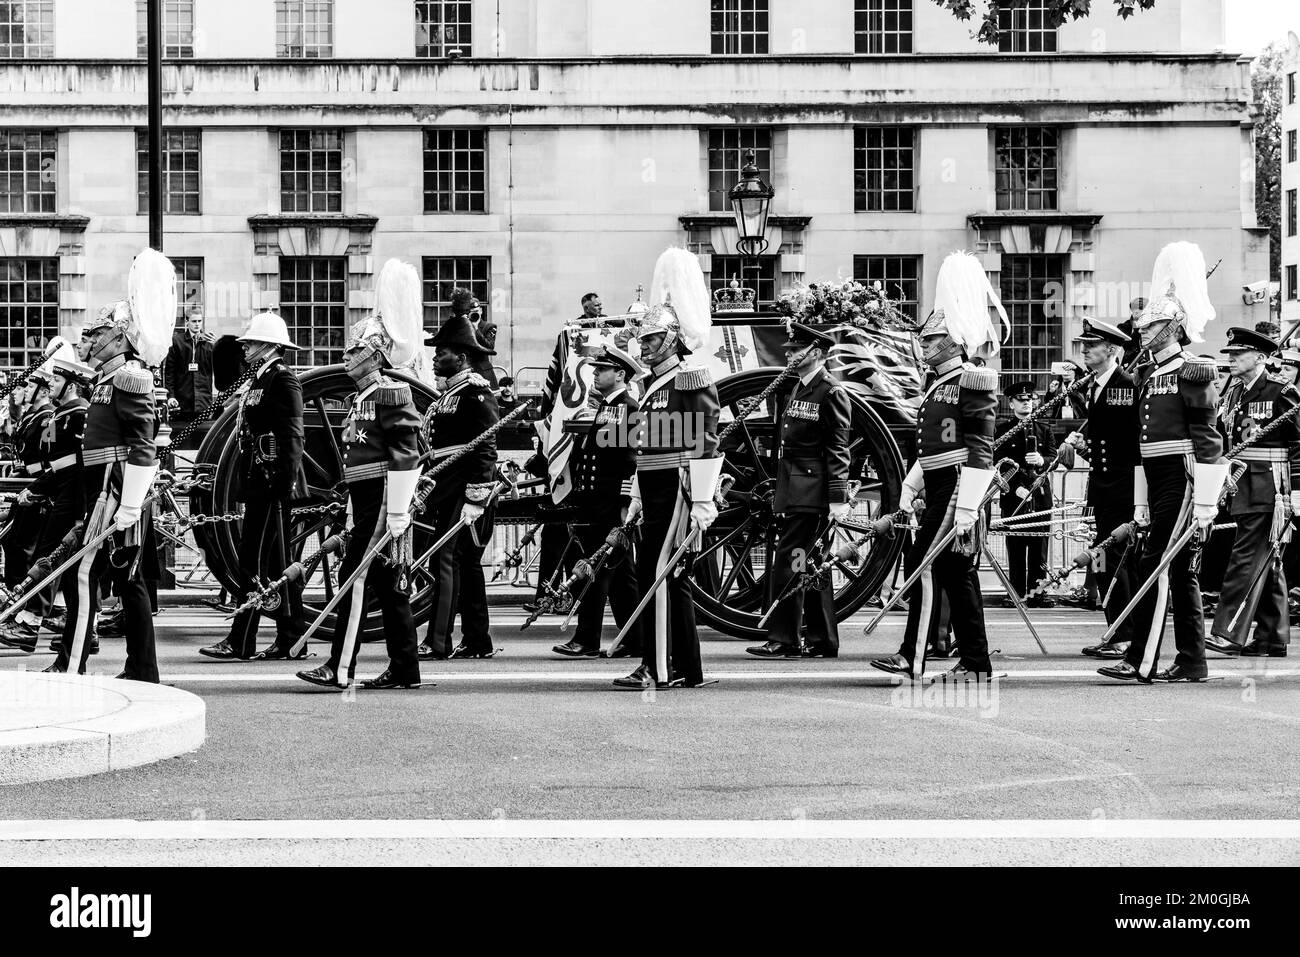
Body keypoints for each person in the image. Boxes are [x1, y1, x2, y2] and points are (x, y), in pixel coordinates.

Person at [870, 251, 1002, 682]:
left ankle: (915, 655)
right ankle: (975, 661)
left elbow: (980, 447)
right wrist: (911, 485)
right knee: (953, 572)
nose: (923, 347)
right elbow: (933, 447)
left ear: (950, 341)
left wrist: (967, 507)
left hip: (960, 484)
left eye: (929, 341)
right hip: (941, 480)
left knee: (924, 564)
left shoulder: (970, 379)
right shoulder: (939, 385)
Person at [1098, 242, 1225, 684]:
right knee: (1177, 570)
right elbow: (1141, 445)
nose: (1141, 330)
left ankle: (1142, 660)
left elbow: (1209, 441)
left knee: (1156, 564)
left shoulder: (1194, 370)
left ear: (1172, 326)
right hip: (1157, 477)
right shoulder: (1150, 374)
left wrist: (1207, 504)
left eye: (1149, 324)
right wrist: (1140, 504)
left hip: (1184, 478)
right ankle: (1192, 661)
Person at [47, 250, 174, 680]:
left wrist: (130, 504)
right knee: (127, 583)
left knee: (86, 575)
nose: (90, 340)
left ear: (119, 337)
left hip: (116, 490)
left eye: (98, 333)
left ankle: (73, 663)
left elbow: (143, 447)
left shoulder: (130, 376)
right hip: (104, 488)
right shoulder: (106, 378)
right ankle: (142, 667)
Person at [298, 260, 424, 690]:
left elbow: (406, 455)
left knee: (355, 580)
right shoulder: (364, 396)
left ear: (374, 354)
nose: (347, 356)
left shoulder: (391, 391)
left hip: (385, 499)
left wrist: (398, 512)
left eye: (355, 350)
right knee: (389, 588)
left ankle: (341, 667)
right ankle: (406, 667)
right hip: (367, 499)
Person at [613, 249, 721, 690]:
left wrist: (701, 501)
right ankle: (679, 665)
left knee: (664, 575)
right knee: (662, 576)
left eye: (653, 340)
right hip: (654, 487)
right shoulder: (649, 385)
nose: (645, 346)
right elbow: (641, 448)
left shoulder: (689, 378)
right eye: (644, 340)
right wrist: (637, 496)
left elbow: (706, 442)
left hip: (678, 488)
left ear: (673, 340)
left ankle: (664, 666)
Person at [198, 312, 307, 661]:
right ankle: (292, 639)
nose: (245, 347)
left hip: (273, 484)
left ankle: (241, 640)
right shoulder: (260, 379)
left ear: (269, 346)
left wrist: (284, 483)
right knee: (275, 563)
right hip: (259, 481)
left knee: (253, 563)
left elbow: (292, 438)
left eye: (252, 342)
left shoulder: (282, 380)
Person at [747, 322, 853, 659]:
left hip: (812, 494)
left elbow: (838, 449)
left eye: (797, 350)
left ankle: (786, 638)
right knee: (811, 564)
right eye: (790, 350)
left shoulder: (830, 391)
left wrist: (838, 498)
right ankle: (823, 640)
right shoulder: (802, 387)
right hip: (796, 489)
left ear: (818, 353)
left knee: (791, 561)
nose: (790, 354)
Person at [1203, 327, 1297, 658]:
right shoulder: (1234, 393)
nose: (1230, 359)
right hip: (1241, 484)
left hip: (1267, 486)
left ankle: (1227, 633)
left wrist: (1292, 485)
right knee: (1267, 563)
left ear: (1259, 358)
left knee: (1244, 558)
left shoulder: (1280, 390)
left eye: (1237, 354)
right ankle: (1273, 636)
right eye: (1228, 354)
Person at [551, 342, 644, 659]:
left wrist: (622, 508)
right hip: (594, 502)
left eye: (602, 369)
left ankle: (587, 640)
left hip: (608, 506)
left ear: (620, 374)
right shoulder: (607, 407)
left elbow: (630, 462)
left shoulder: (628, 408)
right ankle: (636, 639)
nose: (596, 373)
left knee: (594, 570)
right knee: (620, 578)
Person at [418, 309, 501, 660]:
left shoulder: (476, 394)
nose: (436, 357)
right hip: (447, 488)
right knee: (466, 564)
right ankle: (478, 640)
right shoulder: (450, 394)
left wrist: (476, 498)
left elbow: (486, 449)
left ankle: (438, 640)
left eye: (442, 352)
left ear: (462, 357)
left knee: (445, 560)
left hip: (465, 492)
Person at [1066, 319, 1142, 659]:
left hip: (1121, 487)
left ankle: (1124, 635)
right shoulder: (1096, 385)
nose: (1084, 350)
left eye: (1090, 345)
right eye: (1083, 345)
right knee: (1103, 562)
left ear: (1111, 350)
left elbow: (1129, 445)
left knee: (1117, 562)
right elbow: (1104, 442)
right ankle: (1115, 631)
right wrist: (1083, 447)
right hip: (1103, 485)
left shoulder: (1124, 386)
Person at [995, 380, 1066, 607]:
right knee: (1015, 548)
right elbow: (1000, 463)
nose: (1027, 404)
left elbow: (1054, 459)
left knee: (1039, 547)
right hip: (1014, 494)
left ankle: (1037, 592)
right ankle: (1015, 593)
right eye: (1021, 400)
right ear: (1012, 402)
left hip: (1039, 495)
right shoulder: (1004, 430)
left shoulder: (1044, 430)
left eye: (1030, 399)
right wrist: (1015, 486)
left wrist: (1041, 460)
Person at [0, 366, 56, 648]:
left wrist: (36, 488)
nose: (20, 391)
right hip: (24, 486)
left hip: (35, 489)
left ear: (43, 391)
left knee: (26, 551)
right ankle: (17, 605)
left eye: (26, 386)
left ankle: (24, 610)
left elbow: (50, 461)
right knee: (12, 544)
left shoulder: (48, 418)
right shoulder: (30, 416)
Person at [164, 308, 215, 425]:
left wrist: (216, 347)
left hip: (203, 401)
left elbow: (218, 367)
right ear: (187, 322)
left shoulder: (208, 342)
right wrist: (171, 396)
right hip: (182, 401)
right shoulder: (177, 342)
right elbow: (170, 373)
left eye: (199, 321)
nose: (197, 324)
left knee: (202, 435)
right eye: (194, 321)